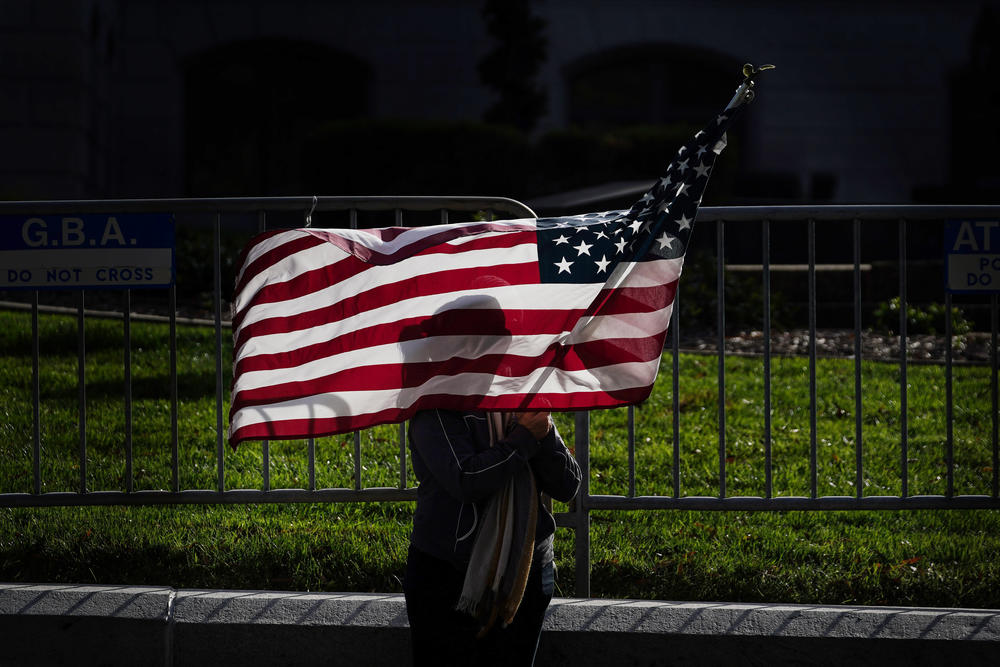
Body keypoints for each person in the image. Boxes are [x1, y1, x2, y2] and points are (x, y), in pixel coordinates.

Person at [404, 408, 582, 666]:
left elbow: (567, 485)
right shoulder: (437, 406)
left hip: (526, 569)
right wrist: (523, 438)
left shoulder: (522, 399)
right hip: (447, 573)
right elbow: (466, 480)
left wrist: (544, 432)